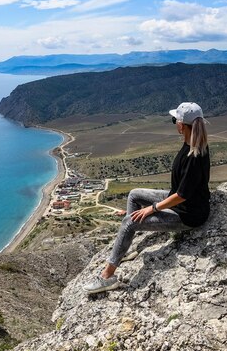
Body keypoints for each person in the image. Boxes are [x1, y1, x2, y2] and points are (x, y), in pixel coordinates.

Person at [83, 102, 211, 294]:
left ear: (181, 125)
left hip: (189, 215)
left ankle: (106, 277)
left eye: (174, 119)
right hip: (181, 203)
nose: (174, 122)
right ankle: (125, 247)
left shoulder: (193, 156)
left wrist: (153, 208)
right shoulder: (193, 146)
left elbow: (182, 196)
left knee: (129, 221)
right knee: (134, 194)